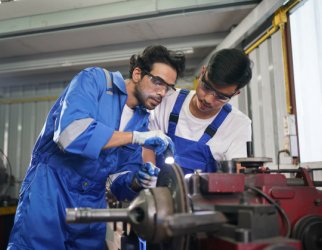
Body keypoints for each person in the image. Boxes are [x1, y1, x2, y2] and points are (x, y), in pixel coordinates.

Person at [7, 45, 185, 250]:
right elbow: (70, 135)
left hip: (93, 200)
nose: (161, 92)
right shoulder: (95, 81)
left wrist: (137, 180)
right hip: (51, 190)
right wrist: (134, 137)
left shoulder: (141, 120)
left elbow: (117, 178)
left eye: (168, 87)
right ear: (137, 73)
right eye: (157, 81)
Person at [144, 48, 252, 175]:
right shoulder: (165, 100)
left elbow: (238, 176)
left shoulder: (238, 125)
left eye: (221, 97)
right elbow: (146, 149)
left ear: (235, 94)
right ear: (202, 72)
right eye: (206, 87)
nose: (208, 99)